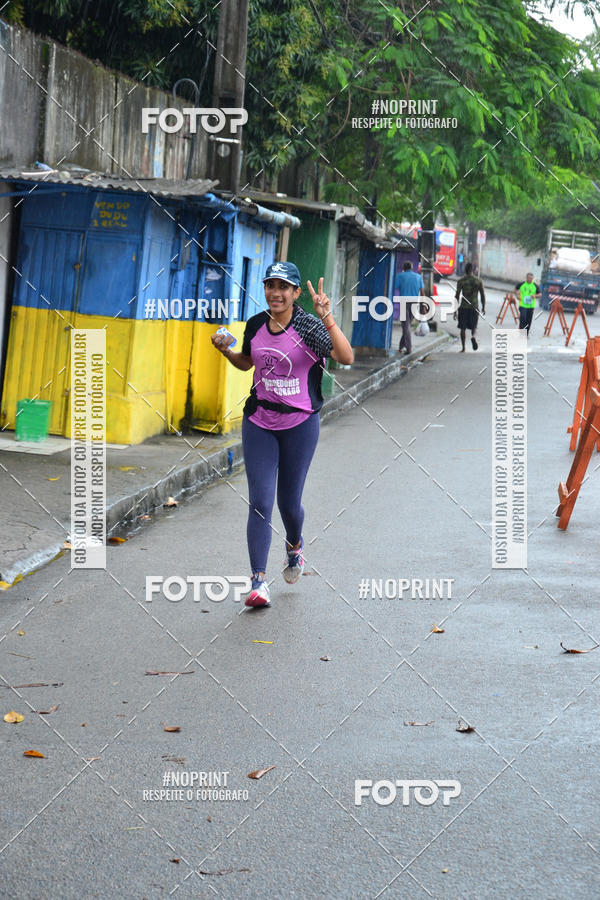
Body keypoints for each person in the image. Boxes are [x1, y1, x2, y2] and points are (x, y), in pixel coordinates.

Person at [211, 262, 354, 608]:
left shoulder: (307, 326)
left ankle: (294, 546)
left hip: (300, 425)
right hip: (259, 421)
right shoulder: (256, 324)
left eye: (283, 286)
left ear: (295, 293)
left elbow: (346, 357)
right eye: (270, 285)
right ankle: (258, 582)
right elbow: (248, 362)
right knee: (260, 501)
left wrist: (327, 317)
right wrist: (227, 351)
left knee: (288, 503)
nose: (275, 292)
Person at [454, 262, 486, 351]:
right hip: (474, 307)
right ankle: (473, 337)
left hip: (464, 307)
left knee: (462, 328)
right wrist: (483, 307)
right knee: (474, 327)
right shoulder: (478, 281)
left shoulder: (461, 281)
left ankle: (463, 348)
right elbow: (482, 295)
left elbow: (457, 296)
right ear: (472, 270)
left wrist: (454, 310)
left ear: (465, 270)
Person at [395, 261, 425, 354]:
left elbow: (394, 287)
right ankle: (401, 346)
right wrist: (423, 306)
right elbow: (422, 293)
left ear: (404, 268)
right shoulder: (418, 277)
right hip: (414, 303)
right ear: (411, 268)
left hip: (404, 302)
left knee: (406, 326)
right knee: (407, 326)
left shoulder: (400, 276)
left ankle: (409, 348)